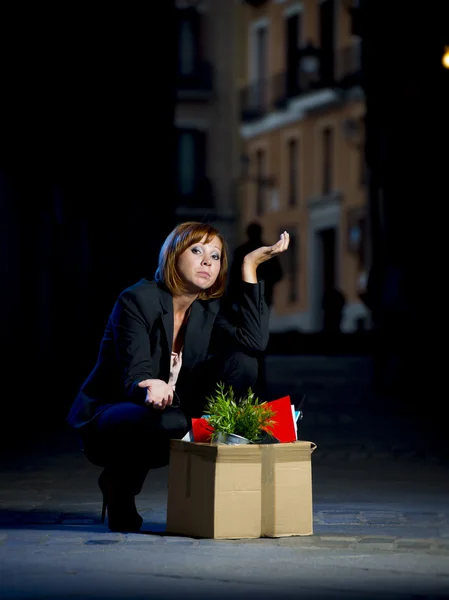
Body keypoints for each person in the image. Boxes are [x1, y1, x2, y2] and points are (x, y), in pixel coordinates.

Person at [66, 221, 290, 533]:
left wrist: (249, 267)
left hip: (173, 410)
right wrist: (149, 383)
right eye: (197, 250)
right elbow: (135, 375)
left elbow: (255, 343)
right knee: (170, 422)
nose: (207, 261)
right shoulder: (137, 299)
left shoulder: (207, 310)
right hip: (114, 413)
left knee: (243, 363)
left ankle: (209, 481)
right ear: (173, 255)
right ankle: (119, 484)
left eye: (215, 256)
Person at [228, 222, 284, 396]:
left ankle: (256, 379)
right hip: (252, 299)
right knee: (254, 339)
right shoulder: (246, 251)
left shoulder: (263, 251)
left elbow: (277, 274)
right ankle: (255, 378)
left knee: (255, 338)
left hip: (257, 299)